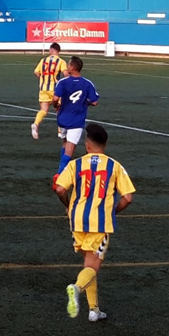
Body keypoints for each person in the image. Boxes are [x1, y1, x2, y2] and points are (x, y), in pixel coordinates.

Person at [56, 123, 135, 323]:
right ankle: (76, 288)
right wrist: (113, 211)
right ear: (105, 144)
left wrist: (68, 206)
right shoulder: (114, 166)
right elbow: (127, 198)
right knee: (93, 267)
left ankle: (94, 310)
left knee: (88, 264)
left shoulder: (75, 164)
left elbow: (59, 189)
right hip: (99, 223)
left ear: (87, 144)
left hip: (77, 221)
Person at [51, 56, 99, 189]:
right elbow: (95, 101)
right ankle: (60, 175)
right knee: (70, 149)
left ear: (72, 68)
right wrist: (86, 103)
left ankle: (61, 168)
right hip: (76, 121)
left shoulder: (62, 82)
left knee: (65, 143)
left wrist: (56, 105)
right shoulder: (87, 83)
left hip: (62, 119)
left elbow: (55, 98)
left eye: (68, 65)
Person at [31, 42, 67, 140]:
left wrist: (43, 79)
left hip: (43, 89)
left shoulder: (43, 60)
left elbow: (36, 72)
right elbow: (65, 74)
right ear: (58, 51)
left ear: (51, 50)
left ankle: (36, 124)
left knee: (43, 110)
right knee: (60, 109)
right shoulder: (60, 61)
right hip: (55, 89)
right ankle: (60, 131)